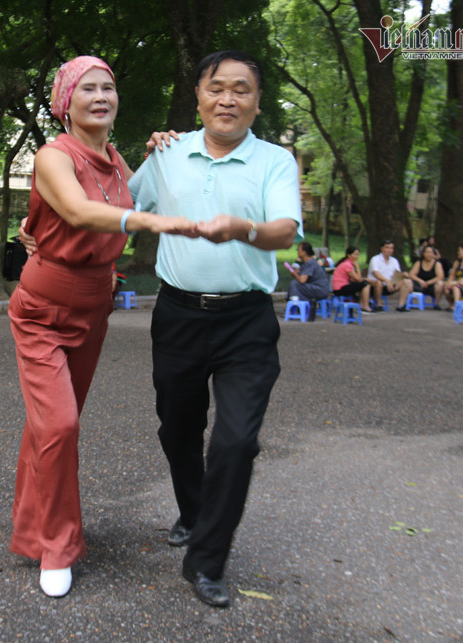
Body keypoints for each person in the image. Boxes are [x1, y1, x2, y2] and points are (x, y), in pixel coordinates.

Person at [7, 56, 197, 599]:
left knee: (47, 428)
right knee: (60, 426)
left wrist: (162, 154)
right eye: (87, 88)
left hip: (94, 308)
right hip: (42, 309)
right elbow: (80, 212)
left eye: (108, 87)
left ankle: (29, 528)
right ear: (65, 102)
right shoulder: (53, 155)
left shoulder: (114, 160)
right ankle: (57, 546)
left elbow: (137, 195)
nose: (100, 95)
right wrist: (152, 223)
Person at [130, 50, 301, 609]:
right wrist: (43, 230)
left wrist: (244, 229)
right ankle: (192, 509)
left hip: (246, 322)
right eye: (217, 88)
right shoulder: (168, 153)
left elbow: (281, 232)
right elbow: (116, 207)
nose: (228, 99)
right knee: (177, 428)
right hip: (177, 314)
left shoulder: (275, 161)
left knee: (236, 440)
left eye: (242, 89)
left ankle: (207, 559)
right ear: (199, 97)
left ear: (256, 101)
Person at [367, 240, 414, 311]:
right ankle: (378, 305)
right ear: (382, 248)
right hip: (376, 286)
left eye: (391, 248)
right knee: (378, 282)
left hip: (390, 285)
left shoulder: (394, 261)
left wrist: (403, 275)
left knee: (406, 281)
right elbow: (376, 274)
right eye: (387, 248)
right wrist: (387, 280)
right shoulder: (375, 259)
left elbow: (397, 275)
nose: (389, 250)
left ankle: (401, 305)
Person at [286, 241, 330, 317]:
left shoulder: (310, 263)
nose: (298, 252)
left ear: (304, 252)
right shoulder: (308, 263)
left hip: (320, 290)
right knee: (295, 284)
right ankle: (295, 308)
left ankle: (295, 308)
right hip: (317, 288)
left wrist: (294, 274)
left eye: (299, 249)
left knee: (294, 284)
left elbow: (302, 280)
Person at [331, 246, 375, 313]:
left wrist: (365, 279)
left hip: (340, 288)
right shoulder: (347, 265)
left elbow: (354, 279)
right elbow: (358, 279)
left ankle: (361, 304)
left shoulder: (347, 263)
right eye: (355, 254)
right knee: (365, 284)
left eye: (358, 255)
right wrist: (357, 267)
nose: (357, 257)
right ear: (349, 255)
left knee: (363, 284)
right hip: (340, 289)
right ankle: (365, 306)